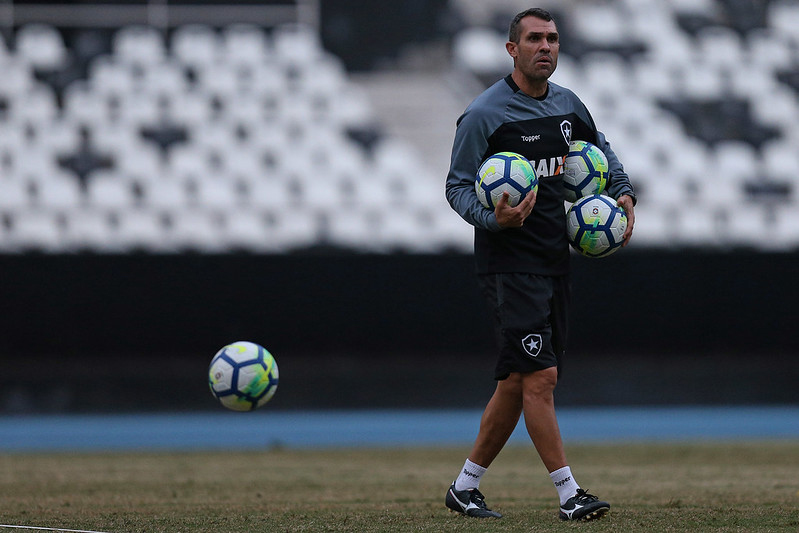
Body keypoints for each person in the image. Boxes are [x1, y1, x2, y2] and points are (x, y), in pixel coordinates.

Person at [443, 7, 636, 522]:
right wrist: (493, 217)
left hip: (555, 261)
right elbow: (456, 186)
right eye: (533, 39)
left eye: (551, 38)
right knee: (540, 378)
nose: (545, 47)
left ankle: (464, 487)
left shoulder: (568, 105)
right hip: (508, 265)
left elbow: (599, 149)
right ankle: (570, 495)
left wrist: (621, 188)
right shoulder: (486, 113)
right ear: (512, 49)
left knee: (516, 382)